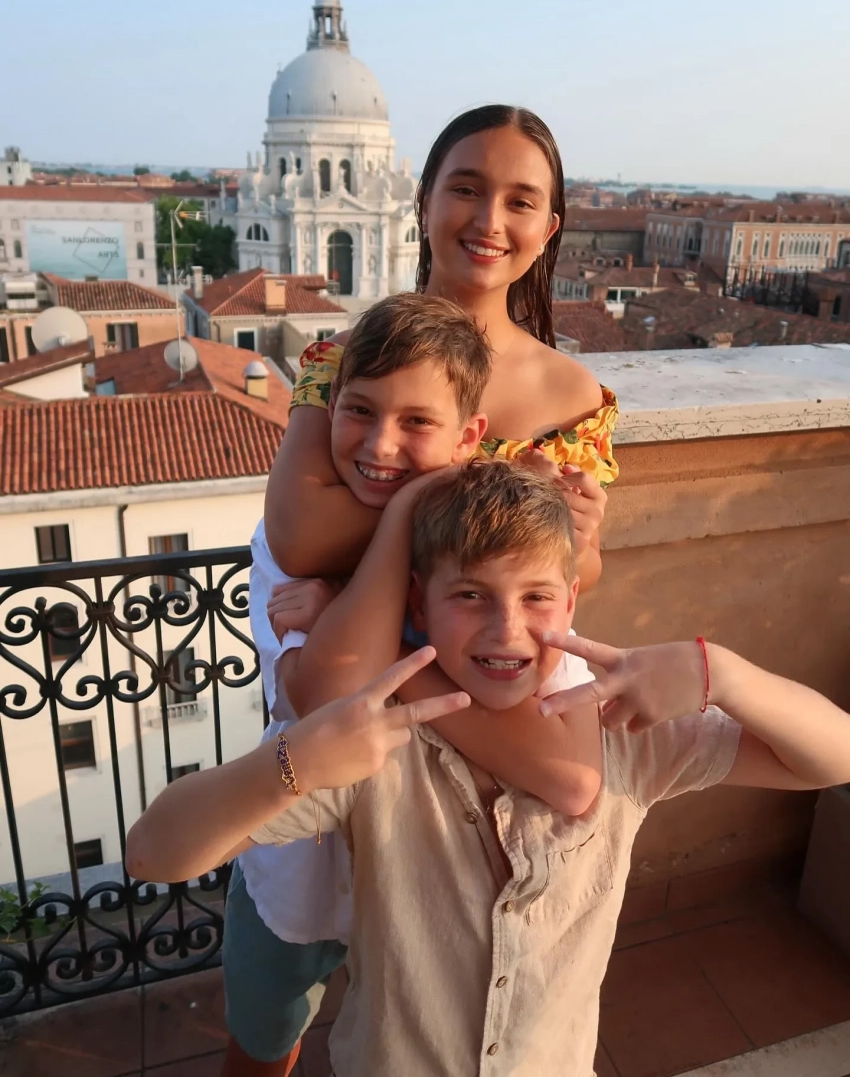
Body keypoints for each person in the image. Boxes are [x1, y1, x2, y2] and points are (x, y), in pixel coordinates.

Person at [126, 461, 850, 1077]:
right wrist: (296, 760)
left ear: (571, 600)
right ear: (419, 602)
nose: (507, 630)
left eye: (536, 597)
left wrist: (719, 672)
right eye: (470, 596)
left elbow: (831, 757)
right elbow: (154, 854)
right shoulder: (378, 745)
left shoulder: (621, 733)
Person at [233, 104, 619, 1074]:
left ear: (549, 227)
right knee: (270, 1008)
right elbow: (299, 529)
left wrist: (574, 538)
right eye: (466, 189)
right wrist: (482, 489)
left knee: (431, 1006)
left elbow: (572, 571)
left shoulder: (578, 398)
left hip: (458, 755)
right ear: (422, 200)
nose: (489, 220)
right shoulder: (345, 356)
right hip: (339, 731)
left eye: (519, 200)